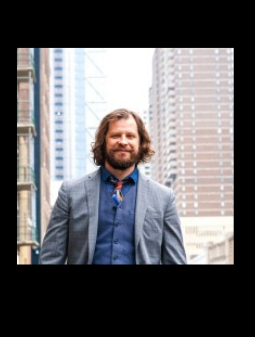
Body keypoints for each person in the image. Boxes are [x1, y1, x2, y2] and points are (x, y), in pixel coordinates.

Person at [40, 108, 187, 264]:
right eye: (116, 135)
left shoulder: (164, 198)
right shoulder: (70, 192)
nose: (123, 141)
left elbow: (175, 261)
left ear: (140, 143)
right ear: (104, 142)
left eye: (130, 136)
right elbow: (51, 258)